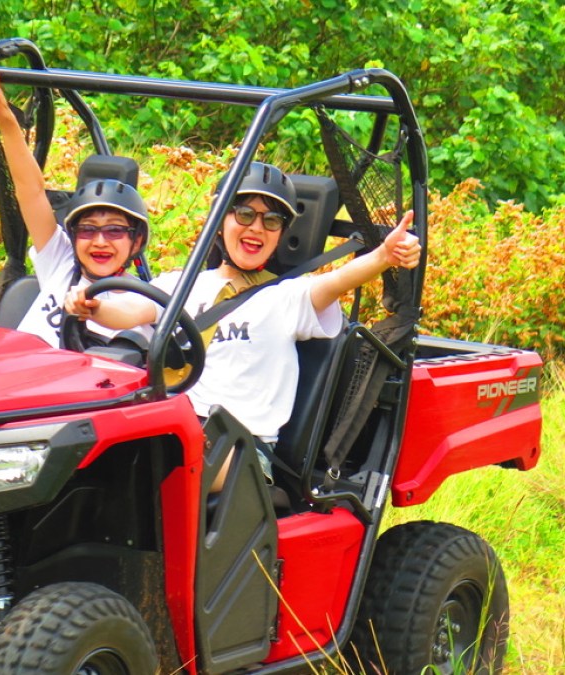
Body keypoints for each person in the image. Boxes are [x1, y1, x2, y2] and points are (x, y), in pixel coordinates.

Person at [65, 161, 421, 488]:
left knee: (164, 469)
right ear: (221, 220)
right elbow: (129, 309)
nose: (256, 228)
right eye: (245, 214)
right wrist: (91, 307)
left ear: (281, 234)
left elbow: (335, 282)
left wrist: (382, 256)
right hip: (171, 425)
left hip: (240, 446)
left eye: (271, 221)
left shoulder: (285, 297)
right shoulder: (182, 283)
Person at [0, 58, 151, 348]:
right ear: (74, 236)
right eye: (88, 230)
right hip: (15, 376)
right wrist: (5, 120)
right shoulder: (61, 262)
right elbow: (31, 191)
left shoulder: (144, 299)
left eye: (115, 231)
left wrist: (94, 309)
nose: (100, 241)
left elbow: (134, 313)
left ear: (137, 241)